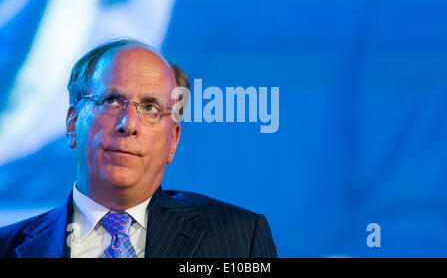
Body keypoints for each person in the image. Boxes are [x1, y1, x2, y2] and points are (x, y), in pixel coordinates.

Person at [0, 39, 277, 258]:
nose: (128, 124)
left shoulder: (239, 240)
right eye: (110, 100)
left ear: (173, 141)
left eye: (150, 108)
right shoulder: (7, 248)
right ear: (72, 124)